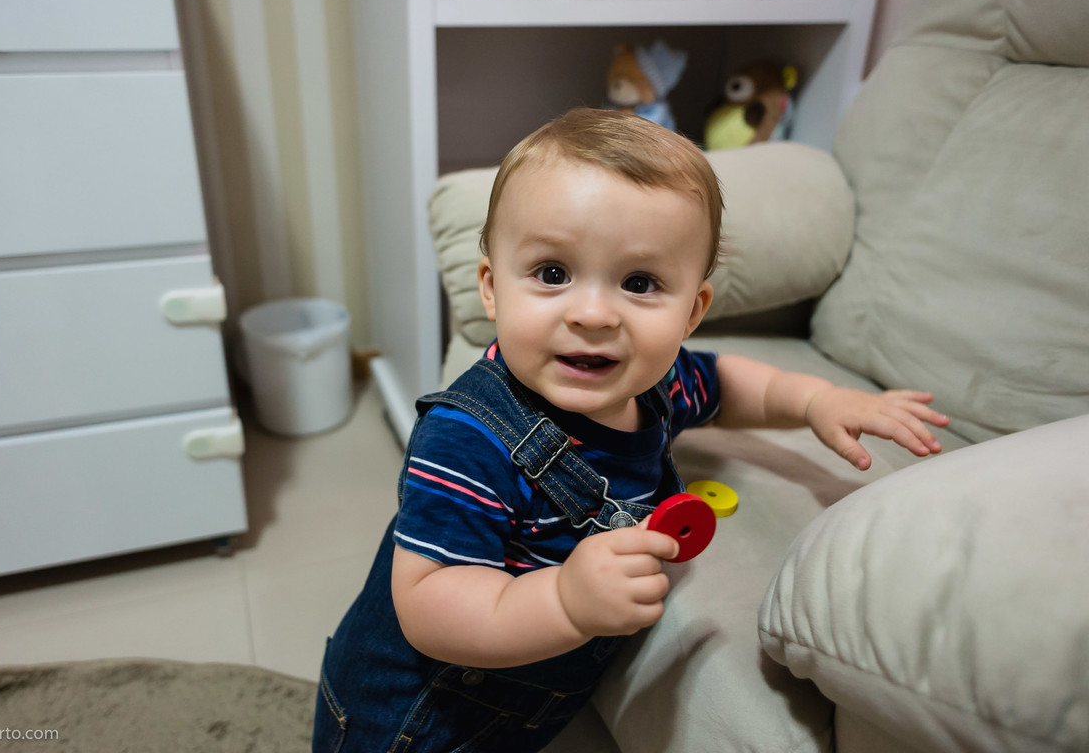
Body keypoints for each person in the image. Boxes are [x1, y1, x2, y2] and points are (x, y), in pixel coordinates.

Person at [312, 108, 948, 752]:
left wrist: (816, 400)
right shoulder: (466, 438)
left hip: (518, 712)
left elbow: (728, 383)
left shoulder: (653, 382)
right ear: (492, 289)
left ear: (692, 310)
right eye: (552, 274)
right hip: (409, 723)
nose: (592, 314)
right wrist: (562, 601)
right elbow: (427, 602)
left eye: (639, 283)